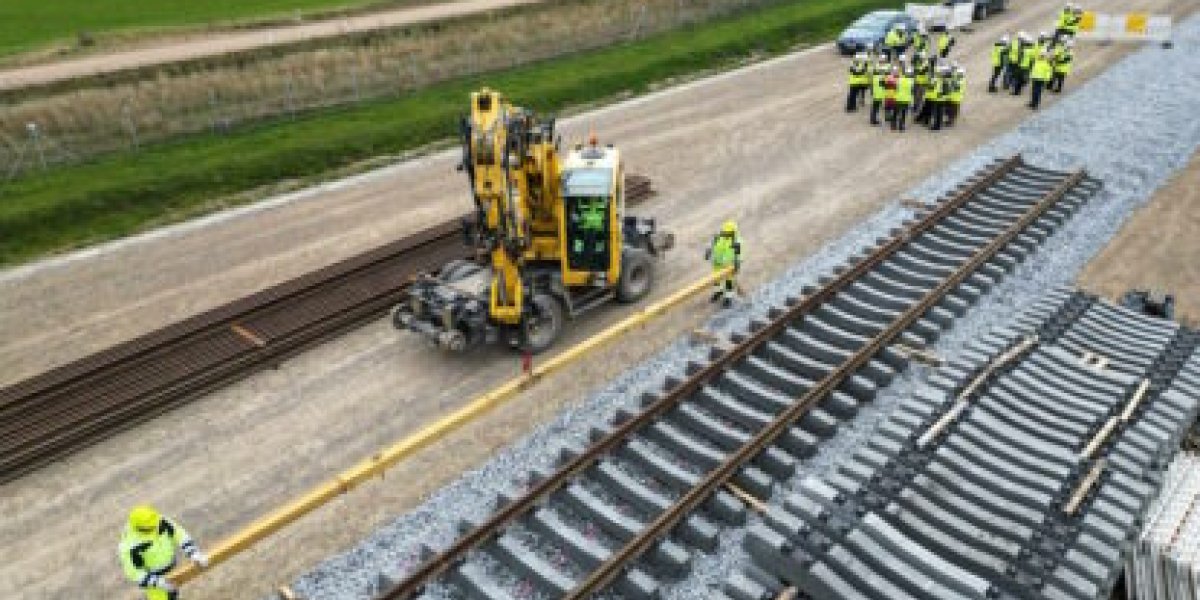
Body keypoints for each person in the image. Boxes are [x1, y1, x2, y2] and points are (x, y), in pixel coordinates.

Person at [119, 505, 208, 600]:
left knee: (172, 594)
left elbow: (179, 534)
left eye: (155, 525)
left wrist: (194, 553)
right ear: (139, 528)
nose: (155, 528)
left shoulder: (159, 521)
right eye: (151, 528)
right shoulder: (129, 545)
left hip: (170, 569)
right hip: (153, 578)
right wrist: (157, 582)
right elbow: (133, 572)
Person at [705, 220, 742, 308]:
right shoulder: (719, 236)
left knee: (728, 282)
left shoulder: (737, 242)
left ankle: (728, 298)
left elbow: (738, 254)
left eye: (728, 233)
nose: (725, 234)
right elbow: (712, 245)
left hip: (728, 266)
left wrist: (737, 263)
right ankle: (718, 292)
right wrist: (708, 251)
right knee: (716, 280)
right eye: (725, 232)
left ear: (733, 233)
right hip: (717, 263)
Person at [892, 67, 914, 131]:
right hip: (906, 100)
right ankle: (901, 126)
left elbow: (896, 87)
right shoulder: (911, 81)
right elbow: (912, 91)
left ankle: (893, 125)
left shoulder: (899, 79)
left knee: (896, 112)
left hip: (898, 98)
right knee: (903, 113)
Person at [930, 65, 951, 130]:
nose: (939, 74)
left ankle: (937, 126)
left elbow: (946, 91)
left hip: (940, 99)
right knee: (937, 113)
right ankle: (936, 124)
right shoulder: (940, 80)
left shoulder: (944, 81)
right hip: (937, 99)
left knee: (939, 113)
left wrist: (940, 94)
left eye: (940, 73)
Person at [869, 59, 888, 126]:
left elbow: (872, 85)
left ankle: (873, 119)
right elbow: (884, 85)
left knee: (875, 107)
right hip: (879, 94)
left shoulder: (875, 76)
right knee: (875, 107)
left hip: (876, 93)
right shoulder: (881, 77)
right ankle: (873, 120)